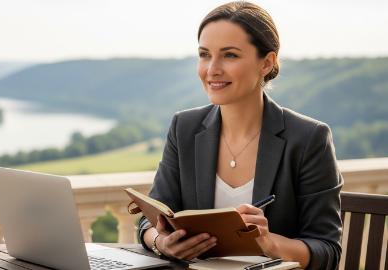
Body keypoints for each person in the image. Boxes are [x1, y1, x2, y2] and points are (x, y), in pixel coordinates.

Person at [137, 2, 343, 270]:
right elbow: (150, 219)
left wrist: (270, 243)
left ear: (266, 63)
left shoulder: (308, 138)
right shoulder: (184, 127)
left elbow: (327, 250)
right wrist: (160, 243)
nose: (212, 69)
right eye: (204, 54)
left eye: (230, 55)